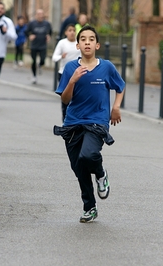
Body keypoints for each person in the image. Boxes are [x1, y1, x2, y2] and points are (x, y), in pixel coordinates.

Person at [53, 25, 125, 223]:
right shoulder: (70, 68)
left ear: (97, 44)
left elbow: (120, 86)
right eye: (83, 39)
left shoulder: (107, 67)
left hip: (97, 122)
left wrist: (116, 107)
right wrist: (72, 81)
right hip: (73, 123)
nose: (87, 42)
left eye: (91, 39)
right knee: (79, 168)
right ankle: (90, 207)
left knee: (89, 155)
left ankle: (101, 175)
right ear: (78, 45)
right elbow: (65, 100)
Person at [52, 24, 81, 121]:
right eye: (70, 30)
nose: (72, 32)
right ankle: (65, 119)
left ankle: (75, 120)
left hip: (78, 74)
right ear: (66, 32)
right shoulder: (62, 43)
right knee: (65, 98)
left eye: (73, 30)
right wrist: (61, 56)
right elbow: (54, 57)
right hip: (64, 74)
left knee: (76, 98)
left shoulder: (79, 43)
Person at [24, 9, 52, 84]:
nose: (40, 16)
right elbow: (26, 31)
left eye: (41, 14)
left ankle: (40, 65)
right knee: (34, 61)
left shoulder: (47, 23)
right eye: (39, 14)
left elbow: (50, 31)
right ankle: (34, 76)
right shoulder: (32, 23)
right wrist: (30, 36)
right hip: (34, 45)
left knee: (43, 59)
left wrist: (48, 36)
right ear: (36, 15)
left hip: (43, 45)